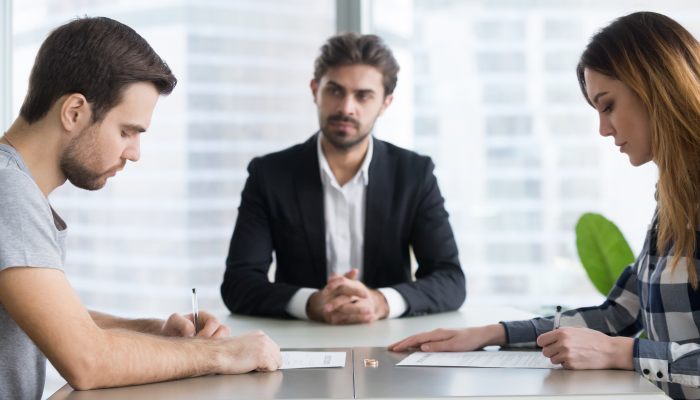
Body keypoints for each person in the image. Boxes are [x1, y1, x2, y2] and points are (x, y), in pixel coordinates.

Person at [388, 11, 700, 400]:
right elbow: (618, 314)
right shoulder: (674, 199)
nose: (604, 129)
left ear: (654, 86)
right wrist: (492, 334)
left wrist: (625, 353)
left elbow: (619, 340)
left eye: (608, 106)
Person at [0, 17, 281, 400]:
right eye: (126, 131)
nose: (134, 153)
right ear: (74, 112)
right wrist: (218, 354)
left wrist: (154, 331)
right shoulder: (8, 192)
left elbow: (53, 322)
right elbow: (86, 360)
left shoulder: (15, 186)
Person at [221, 32, 465, 325]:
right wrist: (311, 303)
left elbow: (450, 279)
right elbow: (238, 283)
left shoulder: (414, 174)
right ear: (315, 90)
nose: (346, 107)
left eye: (363, 95)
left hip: (389, 343)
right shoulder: (269, 175)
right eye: (335, 91)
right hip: (300, 345)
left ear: (385, 103)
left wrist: (381, 302)